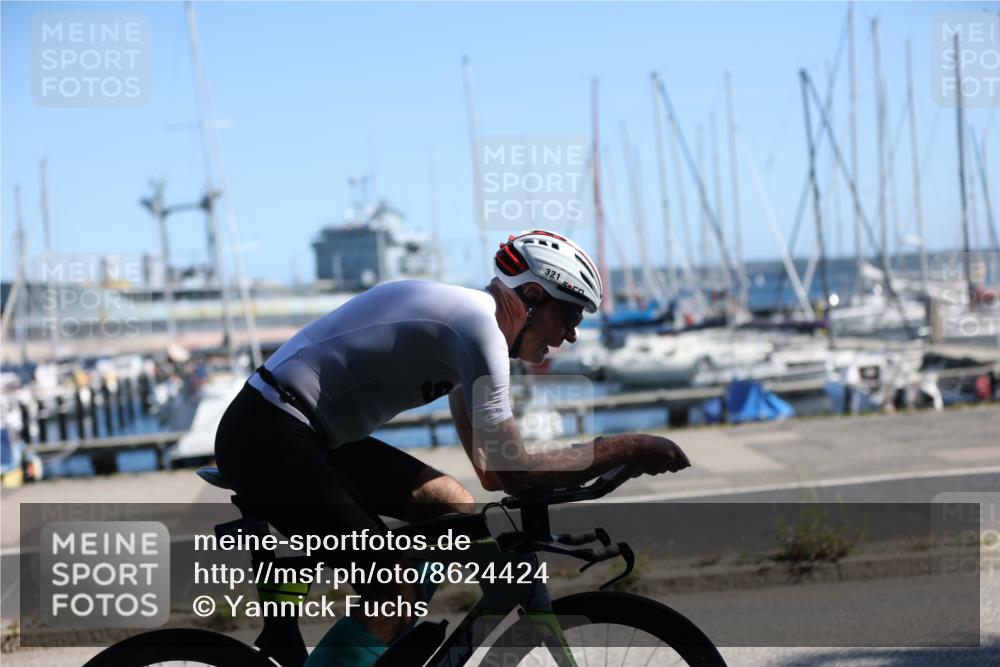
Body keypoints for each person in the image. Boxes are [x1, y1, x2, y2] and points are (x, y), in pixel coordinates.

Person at [213, 229, 690, 666]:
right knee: (393, 588)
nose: (572, 334)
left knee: (453, 508)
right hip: (268, 433)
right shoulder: (477, 328)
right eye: (569, 314)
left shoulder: (476, 338)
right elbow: (516, 472)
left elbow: (490, 473)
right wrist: (625, 447)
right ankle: (383, 623)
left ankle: (384, 640)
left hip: (308, 433)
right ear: (531, 297)